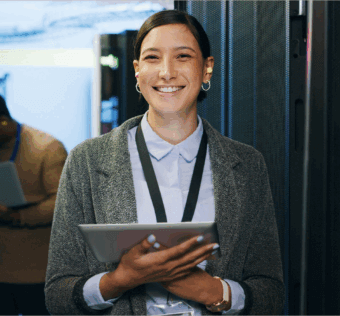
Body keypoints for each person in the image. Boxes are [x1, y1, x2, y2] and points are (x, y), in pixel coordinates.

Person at [45, 10, 285, 315]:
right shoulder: (87, 162)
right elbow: (57, 295)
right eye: (152, 58)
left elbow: (271, 293)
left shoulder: (247, 165)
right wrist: (119, 280)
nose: (166, 72)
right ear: (137, 70)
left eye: (183, 56)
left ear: (207, 69)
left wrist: (214, 291)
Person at [0, 94, 67, 315]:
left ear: (4, 121)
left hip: (37, 272)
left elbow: (62, 203)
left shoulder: (47, 147)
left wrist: (17, 217)